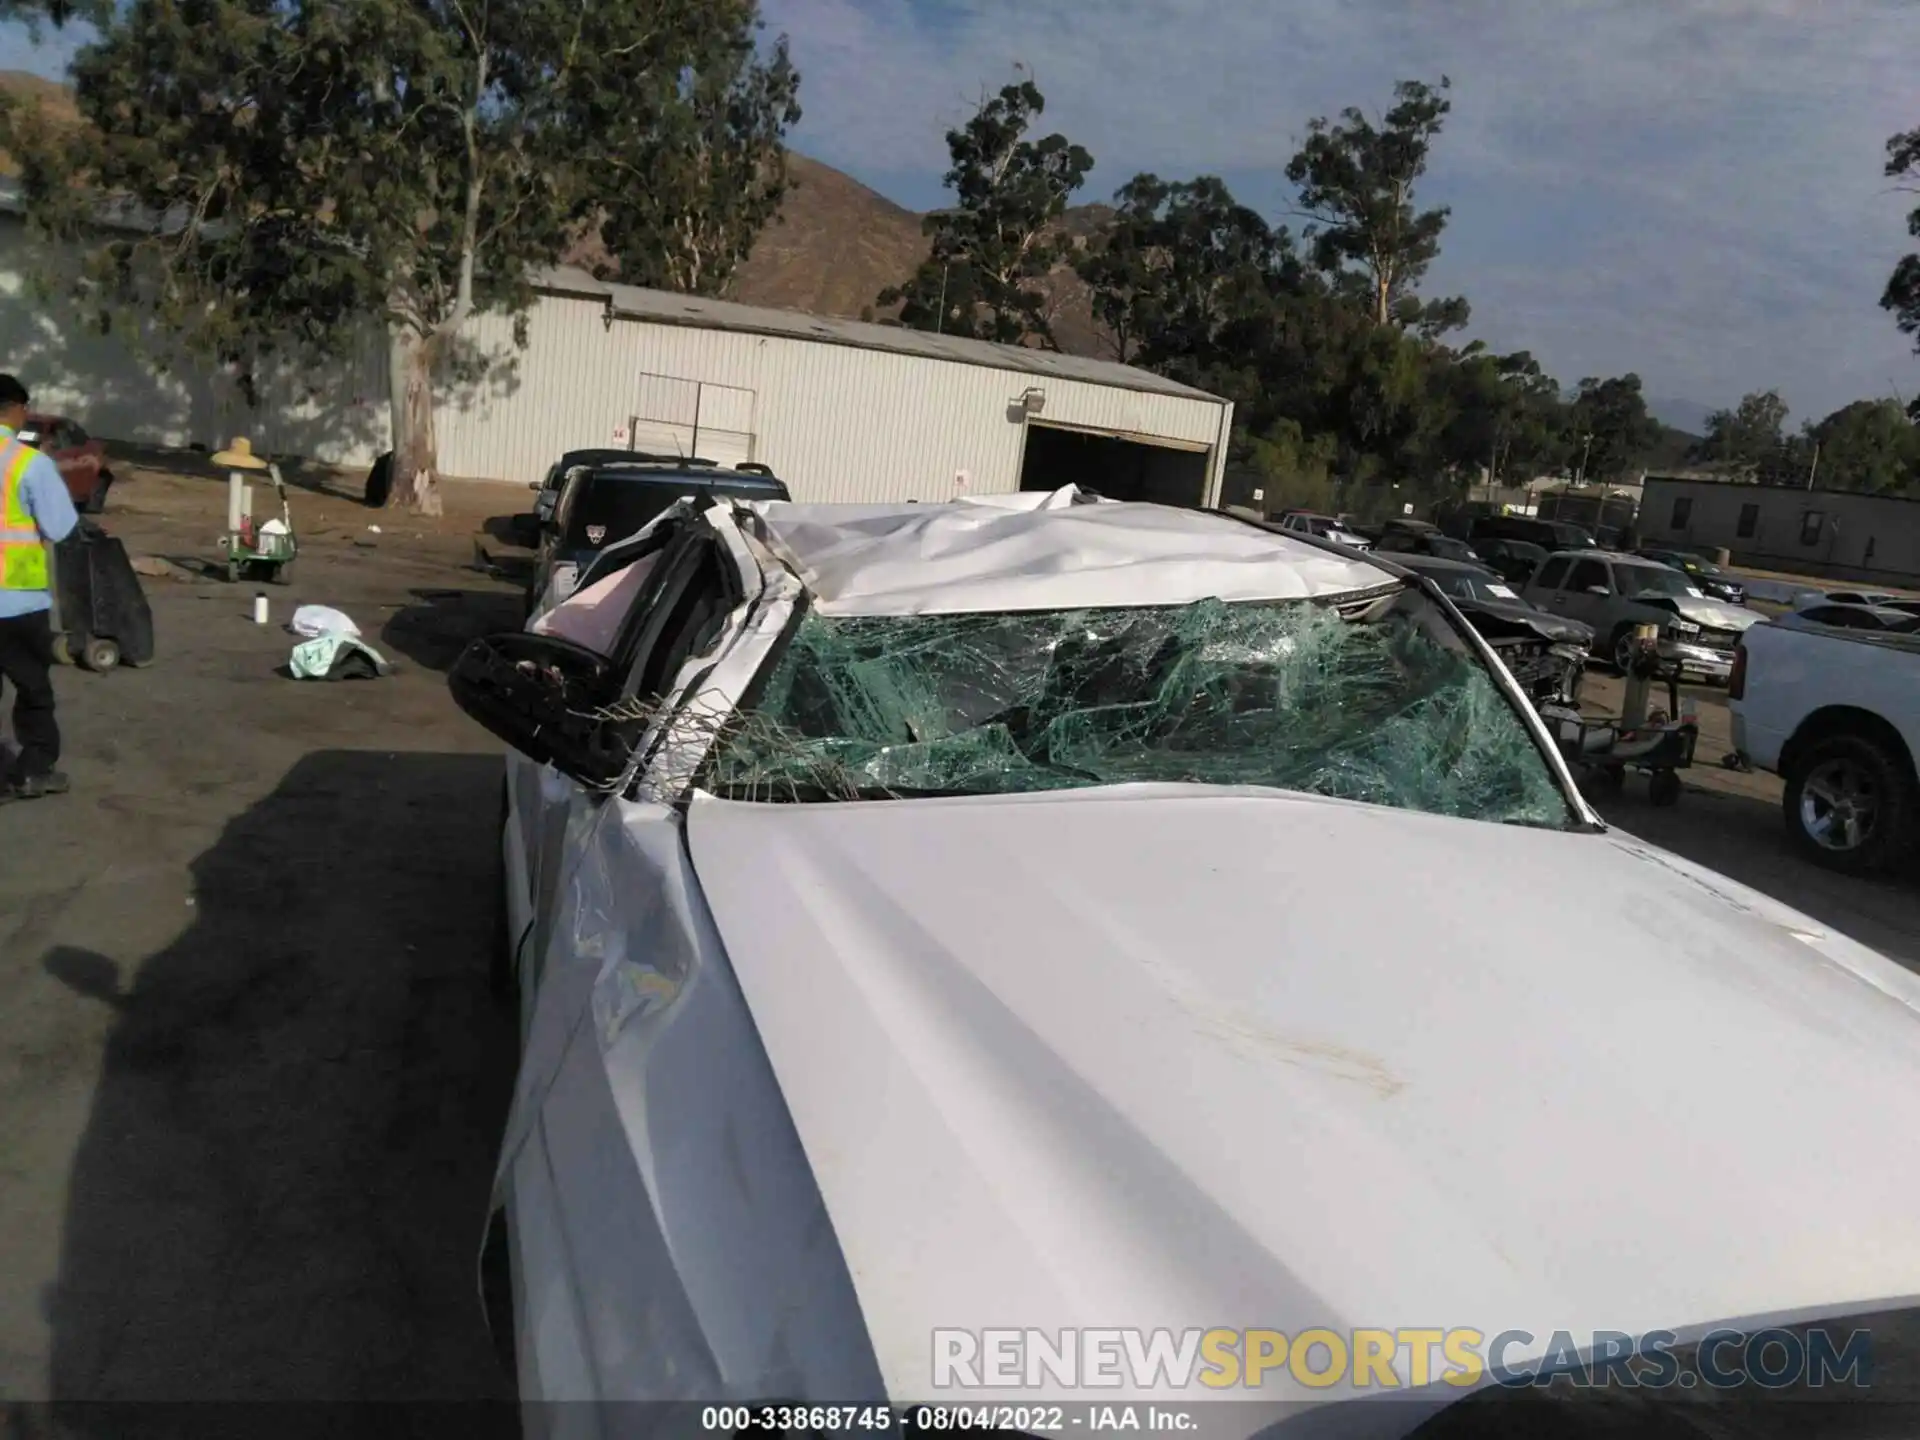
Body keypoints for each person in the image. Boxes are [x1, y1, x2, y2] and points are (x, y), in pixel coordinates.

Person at [0, 373, 78, 800]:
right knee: (32, 691)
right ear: (16, 409)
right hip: (17, 602)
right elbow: (60, 527)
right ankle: (33, 771)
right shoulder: (28, 463)